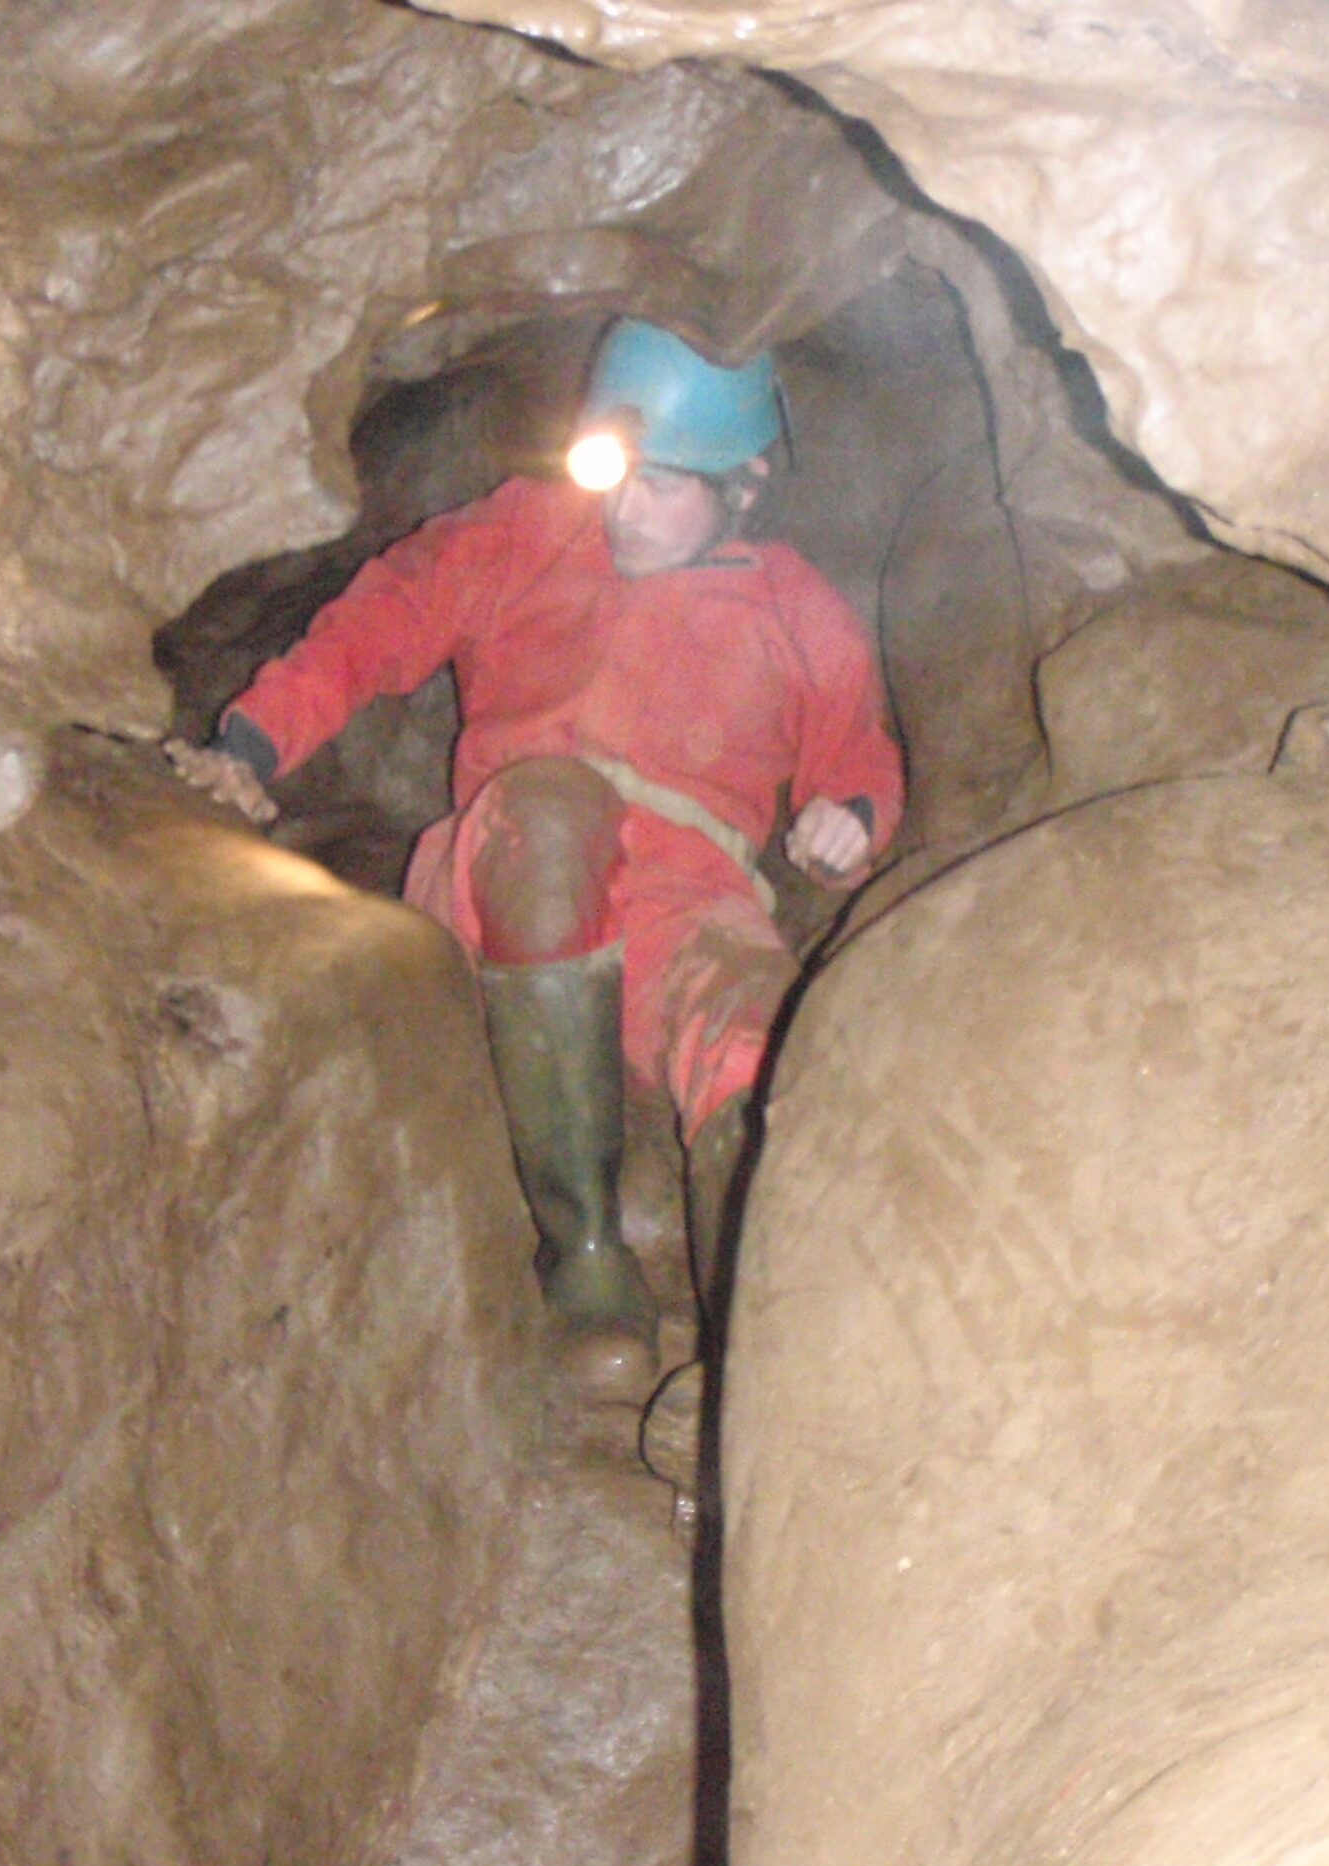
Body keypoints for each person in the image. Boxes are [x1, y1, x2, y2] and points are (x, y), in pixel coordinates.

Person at [167, 319, 904, 1397]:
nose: (627, 508)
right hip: (507, 865)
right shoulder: (524, 531)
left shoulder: (793, 603)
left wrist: (849, 822)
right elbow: (377, 626)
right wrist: (251, 743)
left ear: (743, 487)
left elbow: (860, 762)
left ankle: (765, 1359)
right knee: (552, 820)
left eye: (664, 486)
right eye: (615, 474)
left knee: (763, 1041)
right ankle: (586, 1260)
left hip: (687, 895)